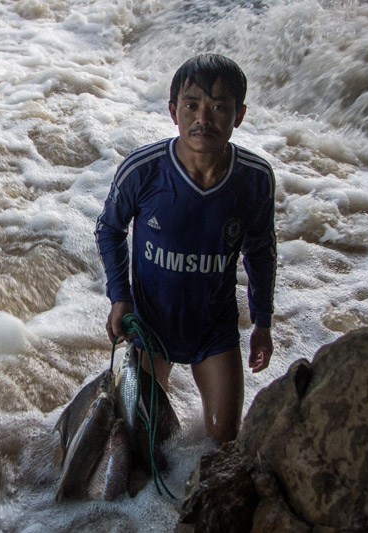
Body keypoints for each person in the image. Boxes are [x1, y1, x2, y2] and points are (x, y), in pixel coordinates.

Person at [95, 54, 276, 443]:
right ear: (173, 111)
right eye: (191, 105)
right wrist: (120, 297)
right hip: (151, 327)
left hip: (214, 330)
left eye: (218, 107)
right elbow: (109, 228)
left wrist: (263, 324)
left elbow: (261, 253)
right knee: (140, 440)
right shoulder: (143, 169)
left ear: (239, 115)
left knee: (224, 438)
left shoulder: (254, 178)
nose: (202, 119)